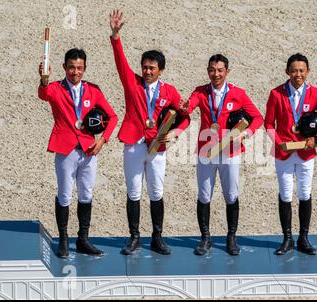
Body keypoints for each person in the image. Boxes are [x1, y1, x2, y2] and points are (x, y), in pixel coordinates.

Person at [109, 10, 190, 255]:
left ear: (160, 70)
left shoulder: (170, 91)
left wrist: (176, 133)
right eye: (144, 67)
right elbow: (120, 60)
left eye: (152, 68)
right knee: (134, 191)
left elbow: (185, 118)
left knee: (156, 191)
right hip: (133, 143)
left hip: (158, 146)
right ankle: (134, 237)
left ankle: (157, 237)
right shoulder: (131, 83)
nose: (146, 71)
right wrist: (115, 35)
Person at [38, 48, 118, 258]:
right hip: (65, 149)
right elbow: (43, 94)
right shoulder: (55, 88)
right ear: (64, 67)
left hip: (89, 149)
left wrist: (102, 140)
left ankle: (83, 239)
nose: (75, 72)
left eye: (79, 68)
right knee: (64, 194)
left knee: (86, 194)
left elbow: (113, 116)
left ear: (85, 69)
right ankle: (63, 240)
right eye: (71, 67)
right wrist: (44, 80)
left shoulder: (92, 90)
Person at [180, 54, 264, 256]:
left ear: (227, 71)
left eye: (219, 70)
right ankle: (205, 238)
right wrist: (185, 108)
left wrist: (245, 134)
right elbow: (190, 105)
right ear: (207, 70)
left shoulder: (238, 94)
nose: (215, 74)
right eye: (211, 69)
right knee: (204, 194)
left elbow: (258, 118)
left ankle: (231, 238)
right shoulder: (201, 91)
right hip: (206, 151)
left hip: (229, 151)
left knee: (231, 194)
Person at [264, 53, 317, 255]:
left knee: (304, 193)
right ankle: (287, 238)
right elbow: (268, 123)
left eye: (302, 71)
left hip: (306, 152)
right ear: (287, 71)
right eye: (294, 70)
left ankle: (304, 238)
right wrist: (278, 142)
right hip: (284, 153)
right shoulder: (276, 93)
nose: (298, 74)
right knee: (286, 194)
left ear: (308, 72)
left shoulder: (314, 93)